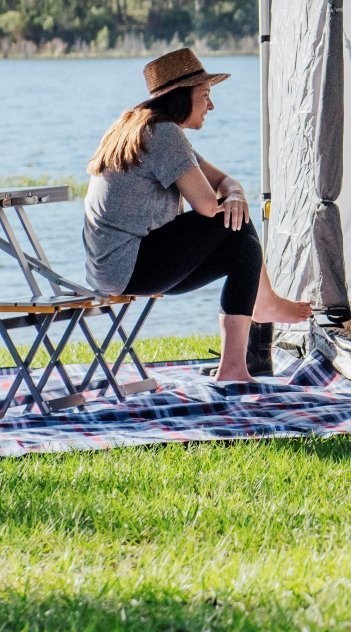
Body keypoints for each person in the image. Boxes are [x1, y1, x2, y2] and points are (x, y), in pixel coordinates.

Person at [83, 47, 312, 381]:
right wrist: (233, 200)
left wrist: (234, 194)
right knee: (235, 221)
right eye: (205, 95)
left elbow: (225, 183)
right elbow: (207, 206)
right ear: (180, 97)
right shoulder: (162, 134)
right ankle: (265, 307)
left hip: (116, 268)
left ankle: (239, 364)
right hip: (132, 266)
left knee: (243, 248)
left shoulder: (144, 127)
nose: (211, 105)